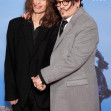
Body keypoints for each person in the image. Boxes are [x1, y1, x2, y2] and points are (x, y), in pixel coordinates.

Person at [30, 0, 100, 111]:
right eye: (58, 3)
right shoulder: (62, 21)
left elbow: (74, 60)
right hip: (59, 95)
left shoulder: (87, 24)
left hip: (77, 98)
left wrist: (43, 77)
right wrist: (32, 15)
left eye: (65, 2)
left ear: (77, 2)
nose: (61, 7)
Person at [4, 0, 59, 110]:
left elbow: (56, 62)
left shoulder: (56, 27)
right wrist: (11, 92)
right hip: (20, 96)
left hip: (45, 95)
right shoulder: (15, 25)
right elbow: (10, 60)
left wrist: (45, 82)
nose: (38, 1)